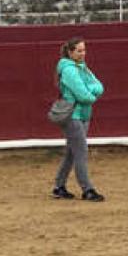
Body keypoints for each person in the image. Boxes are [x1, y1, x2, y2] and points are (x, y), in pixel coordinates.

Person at [51, 36, 105, 202]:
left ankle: (59, 186)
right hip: (73, 115)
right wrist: (91, 93)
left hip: (83, 114)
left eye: (84, 50)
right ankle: (87, 189)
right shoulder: (69, 70)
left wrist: (90, 91)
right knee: (81, 152)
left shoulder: (82, 68)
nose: (83, 53)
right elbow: (84, 95)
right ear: (70, 52)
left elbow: (100, 86)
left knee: (71, 153)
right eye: (79, 50)